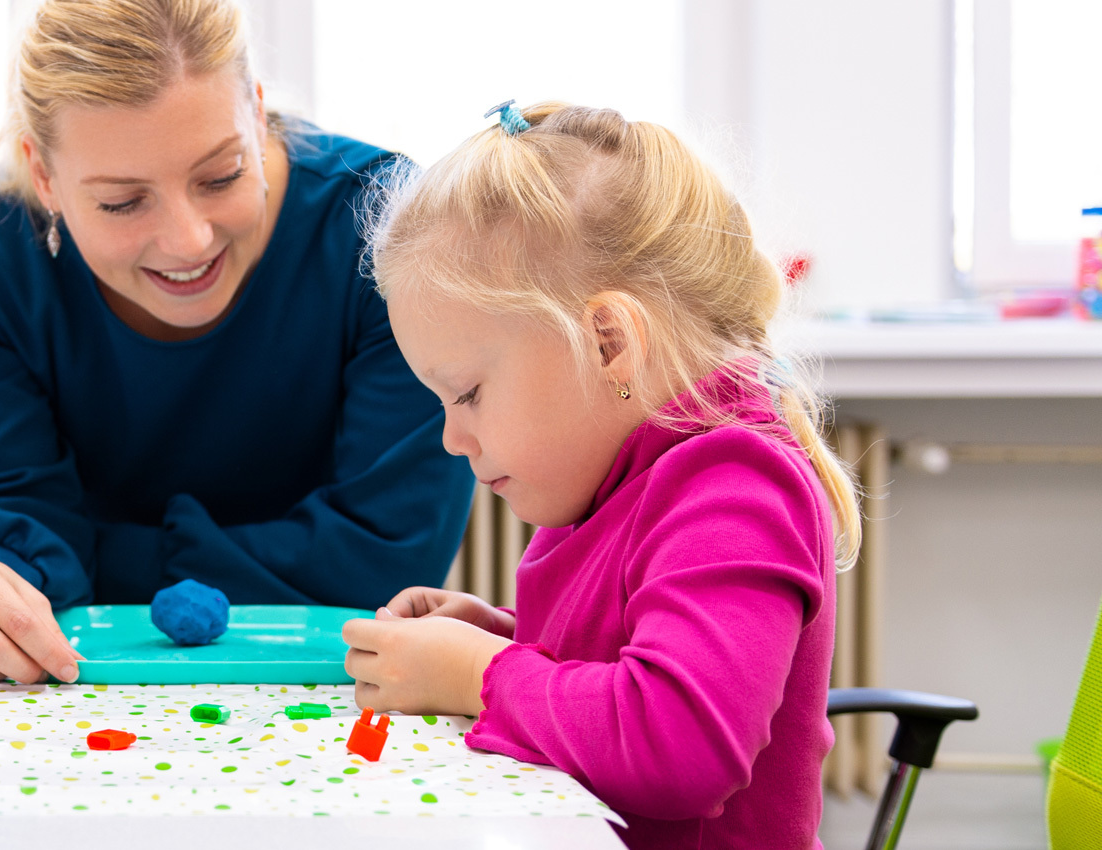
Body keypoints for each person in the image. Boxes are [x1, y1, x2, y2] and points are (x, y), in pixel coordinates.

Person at [0, 0, 475, 686]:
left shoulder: (386, 230)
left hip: (336, 690)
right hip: (76, 696)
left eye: (222, 175)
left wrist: (87, 561)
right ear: (44, 175)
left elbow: (385, 560)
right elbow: (2, 529)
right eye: (122, 201)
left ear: (258, 116)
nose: (189, 241)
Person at [344, 101, 858, 849]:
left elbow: (679, 747)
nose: (453, 439)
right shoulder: (622, 479)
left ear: (608, 341)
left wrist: (483, 675)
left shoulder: (735, 485)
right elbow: (636, 669)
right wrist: (511, 642)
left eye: (469, 394)